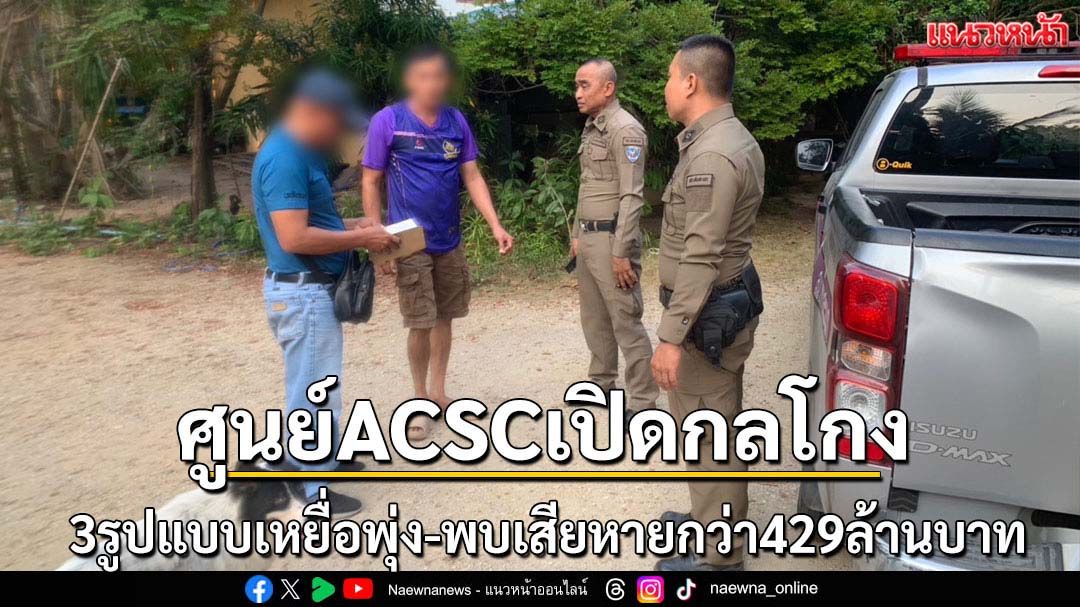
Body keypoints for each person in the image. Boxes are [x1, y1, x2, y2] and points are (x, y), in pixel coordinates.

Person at [253, 69, 399, 515]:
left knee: (316, 385)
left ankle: (319, 459)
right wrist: (361, 238)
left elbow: (315, 222)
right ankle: (309, 484)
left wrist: (357, 225)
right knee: (315, 392)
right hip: (304, 292)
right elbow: (294, 236)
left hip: (309, 290)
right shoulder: (285, 157)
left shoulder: (301, 152)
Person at [650, 35, 766, 571]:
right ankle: (709, 522)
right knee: (715, 422)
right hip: (716, 307)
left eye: (670, 76)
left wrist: (670, 338)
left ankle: (720, 559)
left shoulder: (713, 155)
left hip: (702, 317)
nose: (666, 87)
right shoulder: (726, 138)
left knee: (707, 432)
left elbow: (700, 255)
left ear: (691, 82)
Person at [361, 46, 513, 441]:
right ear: (410, 80)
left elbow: (472, 175)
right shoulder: (388, 121)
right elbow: (371, 180)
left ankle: (440, 392)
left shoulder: (455, 121)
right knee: (420, 321)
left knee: (445, 316)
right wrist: (377, 239)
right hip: (407, 239)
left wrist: (495, 224)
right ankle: (419, 399)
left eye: (438, 76)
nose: (431, 83)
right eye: (423, 76)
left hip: (449, 238)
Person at [571, 59, 658, 417]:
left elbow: (632, 196)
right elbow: (587, 184)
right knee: (594, 318)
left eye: (585, 85)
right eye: (576, 86)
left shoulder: (626, 130)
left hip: (612, 240)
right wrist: (577, 233)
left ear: (608, 88)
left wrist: (621, 251)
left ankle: (642, 401)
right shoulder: (593, 127)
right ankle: (602, 383)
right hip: (589, 238)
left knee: (625, 320)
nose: (577, 93)